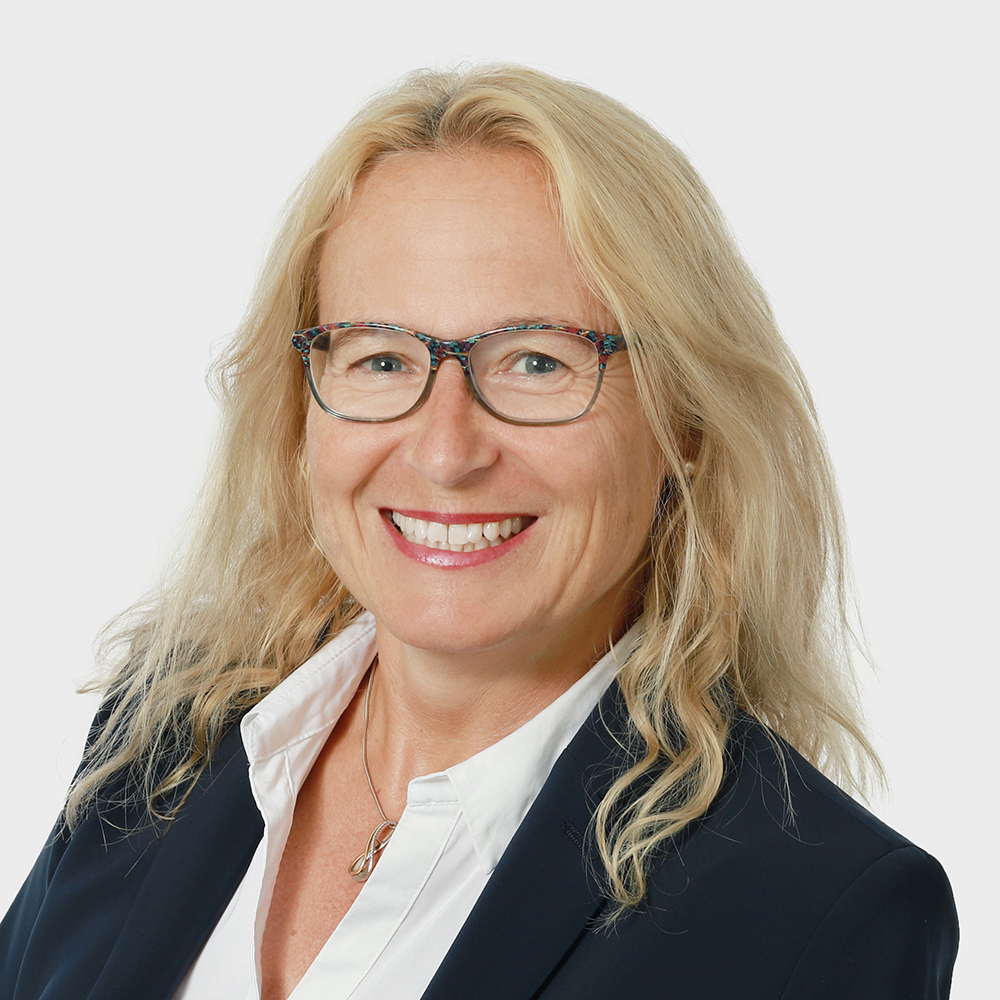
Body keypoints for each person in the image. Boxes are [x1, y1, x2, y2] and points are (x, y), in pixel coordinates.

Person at [0, 64, 958, 1000]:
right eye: (381, 358)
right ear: (302, 407)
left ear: (688, 425)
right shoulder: (159, 742)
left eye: (537, 361)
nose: (445, 451)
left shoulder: (818, 914)